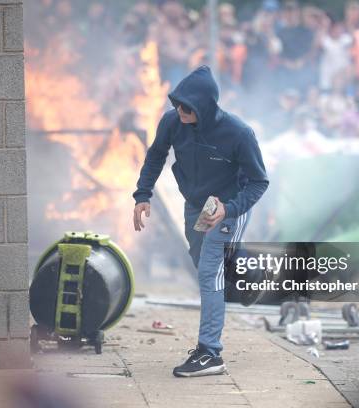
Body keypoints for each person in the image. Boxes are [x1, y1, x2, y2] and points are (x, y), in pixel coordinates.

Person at [132, 66, 269, 377]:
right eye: (177, 104)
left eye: (186, 106)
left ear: (204, 106)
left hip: (228, 205)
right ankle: (252, 271)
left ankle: (210, 352)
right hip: (197, 206)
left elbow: (259, 182)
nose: (179, 110)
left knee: (210, 271)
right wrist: (143, 194)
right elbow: (156, 156)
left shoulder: (239, 133)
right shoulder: (172, 122)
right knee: (204, 263)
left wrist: (231, 208)